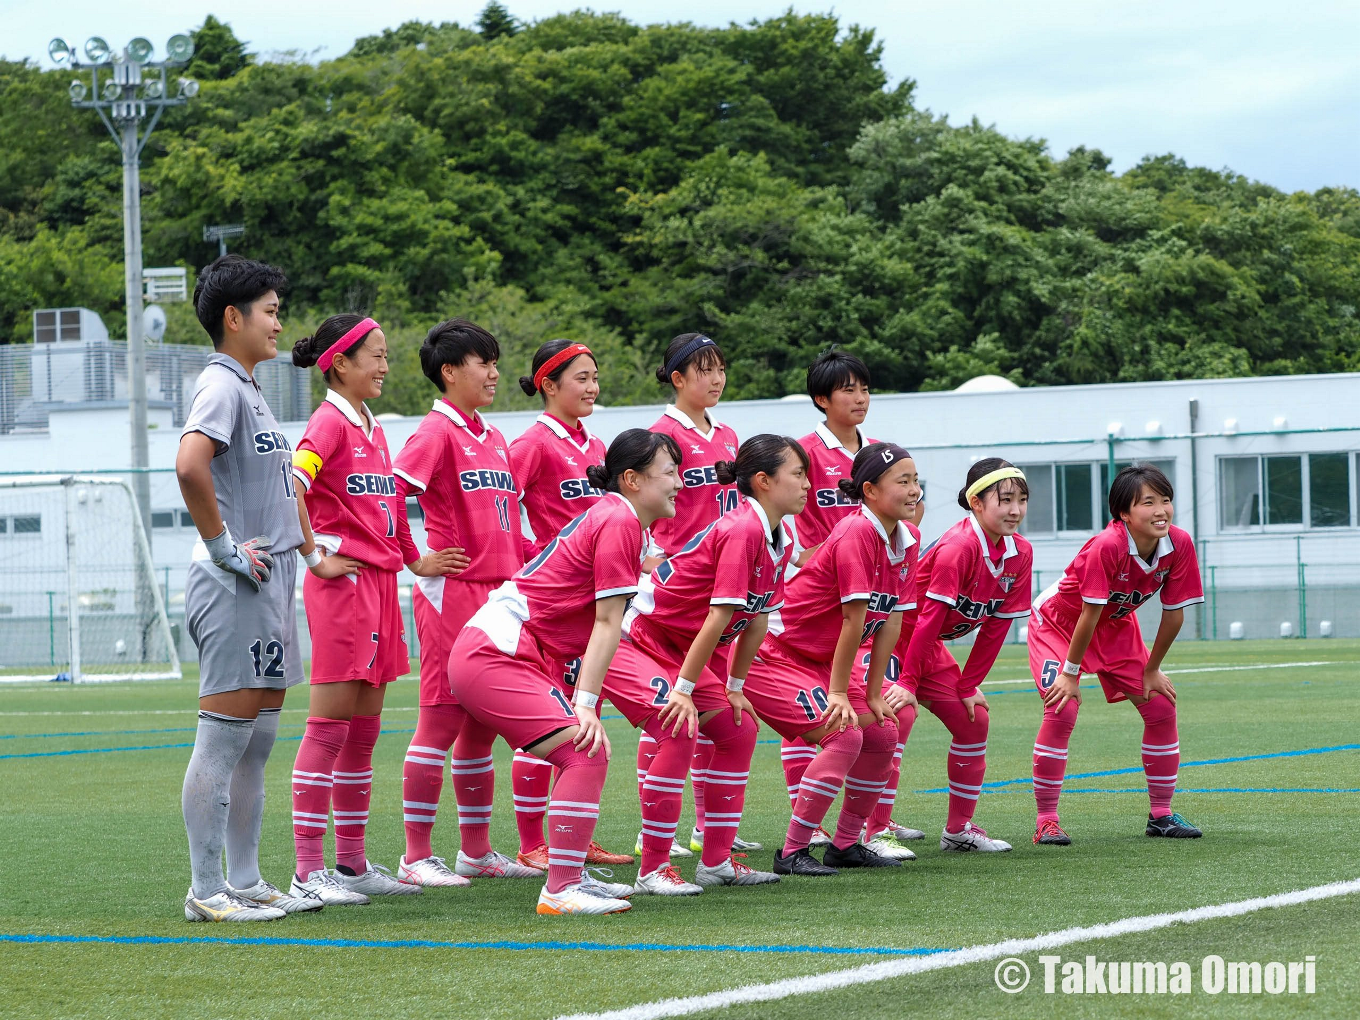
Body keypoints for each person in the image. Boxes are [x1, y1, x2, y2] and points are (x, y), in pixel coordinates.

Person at [449, 429, 684, 915]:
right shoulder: (619, 519)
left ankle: (567, 877)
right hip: (498, 650)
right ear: (633, 479)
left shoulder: (623, 519)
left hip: (509, 648)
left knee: (582, 748)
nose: (680, 482)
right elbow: (606, 623)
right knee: (585, 750)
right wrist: (584, 704)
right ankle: (560, 889)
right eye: (670, 472)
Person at [287, 314, 457, 903]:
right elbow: (293, 485)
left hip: (382, 586)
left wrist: (414, 560)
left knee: (363, 732)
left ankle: (352, 864)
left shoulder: (372, 425)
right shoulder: (328, 422)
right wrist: (314, 557)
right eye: (375, 356)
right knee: (329, 728)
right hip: (344, 587)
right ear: (340, 363)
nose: (385, 366)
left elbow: (386, 507)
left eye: (385, 355)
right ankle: (309, 872)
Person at [604, 435, 810, 894]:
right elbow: (718, 618)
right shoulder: (743, 530)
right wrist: (683, 688)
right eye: (797, 474)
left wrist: (735, 685)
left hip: (680, 644)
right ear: (763, 481)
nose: (806, 484)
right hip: (640, 636)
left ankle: (716, 860)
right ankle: (652, 867)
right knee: (678, 725)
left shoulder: (779, 532)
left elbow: (756, 618)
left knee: (739, 727)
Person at [177, 255, 313, 921]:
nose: (279, 321)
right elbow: (189, 466)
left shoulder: (251, 386)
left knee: (255, 744)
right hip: (235, 585)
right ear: (233, 318)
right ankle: (205, 894)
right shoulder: (221, 385)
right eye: (269, 310)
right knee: (223, 741)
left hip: (269, 584)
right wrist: (222, 546)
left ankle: (245, 879)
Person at [388, 319, 538, 885]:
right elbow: (394, 493)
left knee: (482, 726)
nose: (495, 372)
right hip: (453, 590)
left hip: (500, 591)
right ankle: (414, 856)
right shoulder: (435, 431)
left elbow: (510, 521)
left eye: (496, 361)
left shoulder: (493, 436)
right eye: (484, 362)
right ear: (450, 371)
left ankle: (475, 851)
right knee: (442, 719)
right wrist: (415, 557)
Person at [743, 443, 921, 876]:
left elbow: (891, 624)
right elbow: (850, 620)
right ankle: (791, 852)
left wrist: (874, 693)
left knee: (881, 732)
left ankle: (844, 845)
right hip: (776, 654)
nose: (915, 490)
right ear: (870, 490)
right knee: (844, 734)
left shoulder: (908, 538)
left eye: (917, 480)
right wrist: (840, 693)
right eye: (904, 481)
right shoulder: (857, 532)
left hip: (820, 659)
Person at [780, 349, 926, 851]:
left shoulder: (889, 470)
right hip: (806, 618)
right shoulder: (800, 454)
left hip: (860, 612)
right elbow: (790, 536)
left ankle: (865, 830)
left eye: (865, 388)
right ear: (821, 399)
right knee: (829, 724)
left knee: (888, 717)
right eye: (848, 389)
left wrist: (864, 693)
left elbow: (889, 616)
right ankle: (800, 833)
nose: (860, 398)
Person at [1028, 464, 1205, 845]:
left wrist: (1153, 669)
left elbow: (1174, 614)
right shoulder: (1107, 545)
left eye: (1166, 500)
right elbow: (1087, 614)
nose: (1161, 510)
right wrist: (1071, 674)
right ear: (1123, 514)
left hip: (1116, 626)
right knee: (1063, 705)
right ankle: (1047, 820)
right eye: (1148, 502)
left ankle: (1161, 815)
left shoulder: (1180, 543)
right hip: (1059, 624)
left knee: (1160, 704)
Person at [506, 340, 633, 871]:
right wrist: (529, 560)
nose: (592, 386)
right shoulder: (533, 443)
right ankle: (533, 842)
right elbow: (500, 506)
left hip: (589, 604)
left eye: (595, 376)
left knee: (584, 719)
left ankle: (572, 839)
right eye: (580, 377)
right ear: (548, 385)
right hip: (550, 604)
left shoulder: (597, 445)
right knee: (549, 721)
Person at [645, 333, 759, 858]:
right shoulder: (661, 435)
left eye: (721, 369)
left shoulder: (730, 434)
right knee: (670, 709)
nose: (716, 379)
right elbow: (638, 503)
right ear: (678, 378)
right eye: (704, 370)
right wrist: (650, 555)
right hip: (677, 588)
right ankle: (659, 835)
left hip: (725, 585)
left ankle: (707, 827)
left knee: (716, 711)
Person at [897, 458, 1033, 854]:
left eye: (1022, 500)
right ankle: (875, 830)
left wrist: (969, 684)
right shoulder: (958, 547)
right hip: (892, 640)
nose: (1015, 510)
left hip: (929, 646)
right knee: (896, 717)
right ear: (975, 502)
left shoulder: (1020, 552)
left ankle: (958, 830)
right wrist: (906, 682)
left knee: (975, 720)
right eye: (1005, 499)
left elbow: (997, 627)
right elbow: (926, 620)